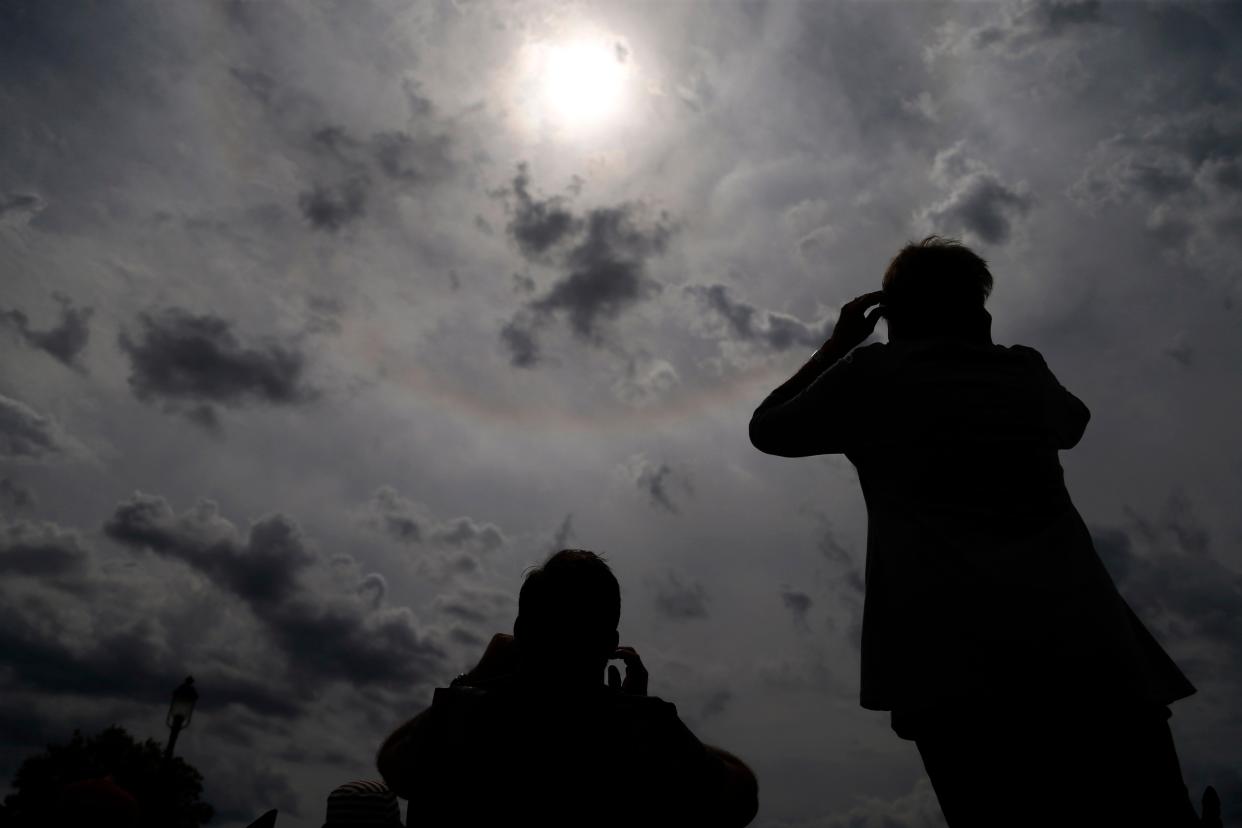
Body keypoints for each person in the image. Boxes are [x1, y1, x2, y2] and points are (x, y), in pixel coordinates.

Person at [749, 236, 1201, 827]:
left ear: (893, 312)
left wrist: (836, 347)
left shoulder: (871, 375)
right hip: (1089, 649)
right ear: (978, 310)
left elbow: (768, 428)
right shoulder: (1022, 370)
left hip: (949, 661)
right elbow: (1074, 424)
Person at [376, 548, 759, 827]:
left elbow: (392, 764)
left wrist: (477, 674)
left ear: (521, 633)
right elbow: (741, 797)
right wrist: (638, 709)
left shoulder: (463, 715)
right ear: (611, 644)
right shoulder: (646, 728)